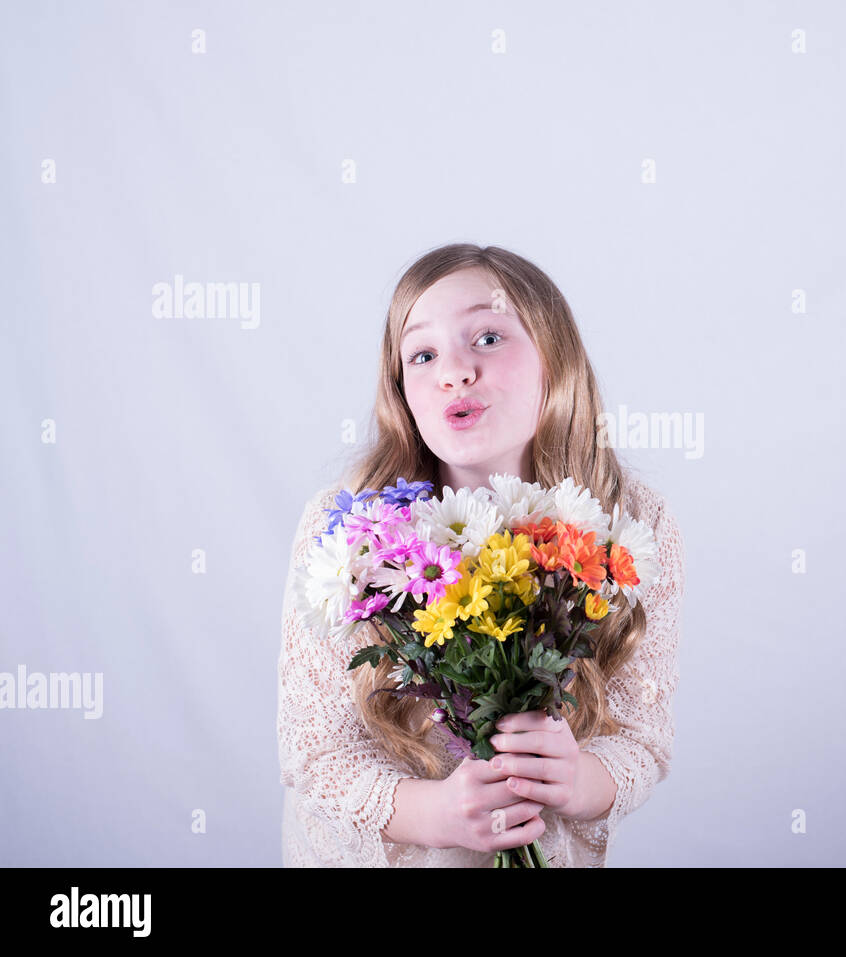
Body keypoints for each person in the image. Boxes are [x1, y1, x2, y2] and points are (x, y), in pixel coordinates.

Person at [277, 243, 684, 866]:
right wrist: (434, 815)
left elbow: (642, 740)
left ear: (556, 355)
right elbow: (313, 749)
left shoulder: (630, 525)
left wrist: (578, 781)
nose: (454, 372)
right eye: (423, 354)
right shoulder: (350, 531)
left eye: (488, 338)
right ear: (403, 391)